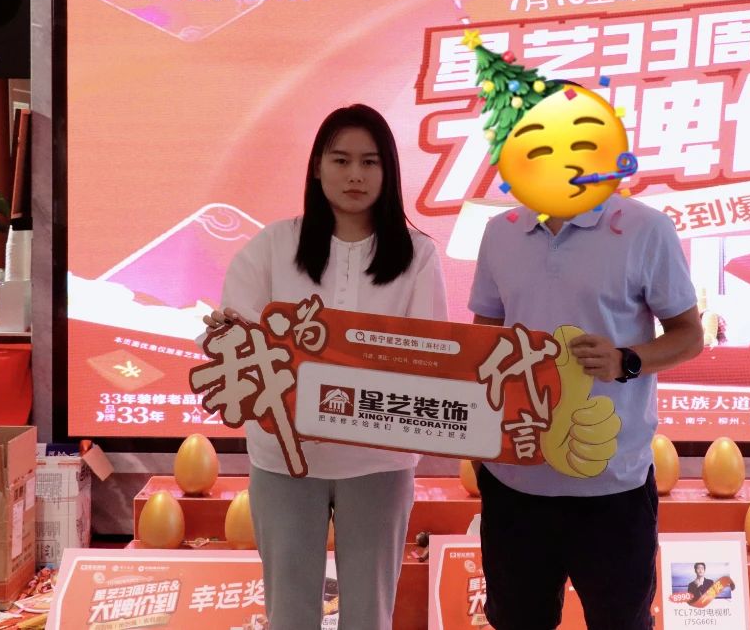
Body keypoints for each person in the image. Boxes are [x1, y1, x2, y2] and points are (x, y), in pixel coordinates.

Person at [202, 104, 447, 630]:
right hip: (284, 457)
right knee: (289, 614)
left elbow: (433, 358)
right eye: (341, 160)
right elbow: (235, 341)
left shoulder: (417, 255)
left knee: (369, 615)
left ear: (388, 172)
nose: (355, 175)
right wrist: (226, 335)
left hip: (379, 461)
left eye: (369, 162)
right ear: (317, 167)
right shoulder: (273, 246)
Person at [469, 195, 703, 630]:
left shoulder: (646, 227)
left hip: (613, 485)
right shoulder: (501, 230)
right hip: (514, 482)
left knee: (621, 623)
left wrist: (626, 360)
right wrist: (477, 442)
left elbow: (689, 335)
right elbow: (484, 339)